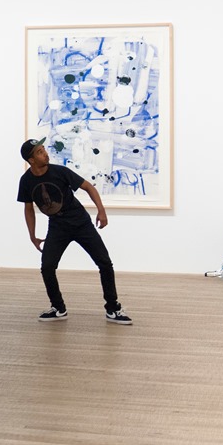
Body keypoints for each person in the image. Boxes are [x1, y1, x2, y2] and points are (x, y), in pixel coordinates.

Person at [17, 138, 132, 325]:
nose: (45, 153)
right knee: (47, 267)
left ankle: (113, 308)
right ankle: (58, 308)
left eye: (44, 149)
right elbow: (28, 209)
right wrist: (32, 236)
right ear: (31, 160)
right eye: (39, 152)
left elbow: (88, 187)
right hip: (57, 227)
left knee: (104, 262)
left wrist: (101, 211)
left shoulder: (60, 171)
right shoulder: (26, 181)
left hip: (81, 223)